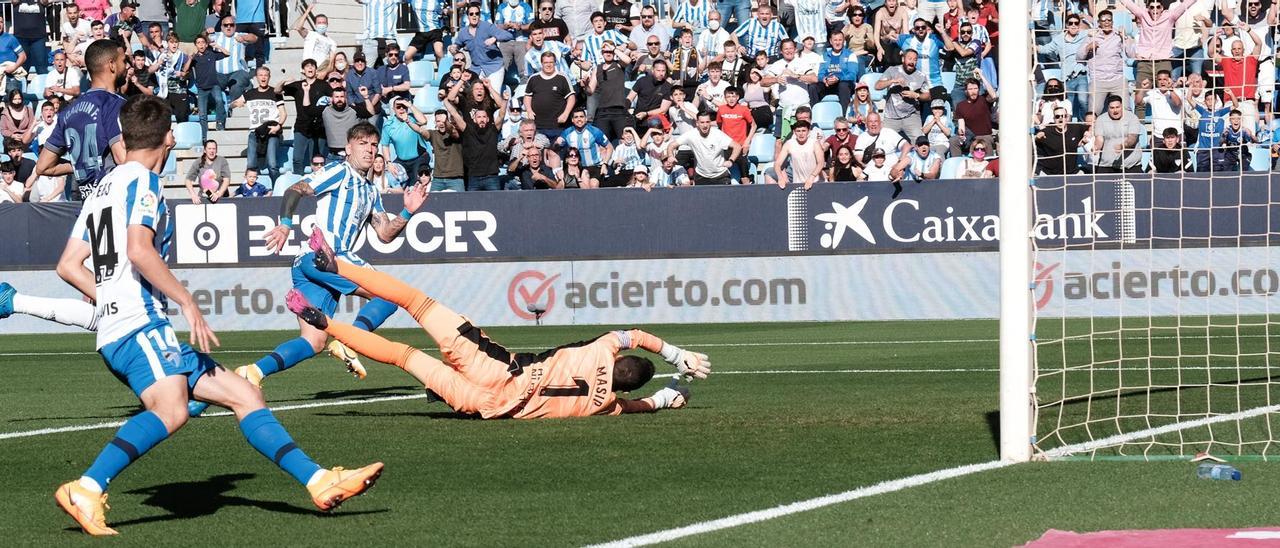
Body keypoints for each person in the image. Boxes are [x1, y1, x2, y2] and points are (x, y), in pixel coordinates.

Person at [50, 96, 382, 537]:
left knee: (244, 393)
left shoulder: (103, 188)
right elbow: (137, 250)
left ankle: (319, 481)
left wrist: (110, 300)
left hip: (128, 324)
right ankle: (86, 487)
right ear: (168, 137)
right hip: (140, 327)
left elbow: (68, 266)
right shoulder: (145, 183)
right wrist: (184, 302)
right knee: (170, 411)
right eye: (173, 134)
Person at [288, 237, 708, 419]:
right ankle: (326, 324)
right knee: (403, 355)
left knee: (415, 301)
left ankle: (334, 264)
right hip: (487, 406)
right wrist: (669, 398)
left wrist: (676, 355)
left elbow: (634, 335)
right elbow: (640, 407)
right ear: (625, 388)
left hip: (496, 367)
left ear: (621, 360)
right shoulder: (604, 406)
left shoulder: (600, 349)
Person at [225, 122, 429, 411]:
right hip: (326, 256)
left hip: (309, 264)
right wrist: (285, 224)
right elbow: (296, 189)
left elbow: (384, 234)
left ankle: (254, 371)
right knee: (391, 295)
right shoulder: (339, 172)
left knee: (314, 340)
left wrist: (407, 212)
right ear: (348, 148)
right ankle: (349, 342)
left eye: (373, 145)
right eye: (362, 144)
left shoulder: (371, 190)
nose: (370, 150)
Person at [36, 39, 128, 202]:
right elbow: (122, 159)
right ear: (112, 65)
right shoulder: (114, 104)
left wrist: (84, 163)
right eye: (123, 61)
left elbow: (43, 167)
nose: (126, 67)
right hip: (114, 201)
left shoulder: (68, 112)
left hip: (88, 207)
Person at [443, 92, 506, 191]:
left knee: (495, 205)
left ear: (488, 119)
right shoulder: (467, 129)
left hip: (491, 177)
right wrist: (445, 100)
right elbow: (454, 114)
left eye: (484, 117)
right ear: (474, 119)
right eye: (479, 117)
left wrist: (505, 100)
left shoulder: (493, 129)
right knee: (473, 206)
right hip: (474, 178)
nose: (482, 119)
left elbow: (501, 115)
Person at [279, 59, 333, 176]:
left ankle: (318, 183)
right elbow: (277, 90)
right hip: (301, 127)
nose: (310, 68)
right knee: (297, 158)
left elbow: (335, 99)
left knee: (317, 160)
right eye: (307, 66)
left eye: (312, 66)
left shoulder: (323, 85)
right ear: (303, 70)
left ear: (315, 69)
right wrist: (285, 80)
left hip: (319, 127)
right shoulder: (298, 85)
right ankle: (299, 181)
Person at [235, 66, 286, 181]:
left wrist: (278, 126)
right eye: (260, 75)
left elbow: (283, 114)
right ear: (256, 77)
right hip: (254, 132)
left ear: (269, 77)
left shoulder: (275, 93)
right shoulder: (250, 93)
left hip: (271, 131)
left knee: (272, 164)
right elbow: (234, 104)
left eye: (266, 75)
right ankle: (251, 190)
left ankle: (276, 190)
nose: (263, 78)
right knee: (251, 163)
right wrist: (236, 104)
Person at [454, 2, 515, 93]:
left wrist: (495, 38)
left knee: (493, 95)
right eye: (471, 14)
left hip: (494, 67)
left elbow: (509, 35)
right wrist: (454, 48)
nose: (474, 16)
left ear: (479, 15)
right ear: (467, 16)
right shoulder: (463, 32)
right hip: (476, 69)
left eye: (477, 14)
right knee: (471, 94)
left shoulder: (487, 26)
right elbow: (457, 45)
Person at [668, 111, 740, 185]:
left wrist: (731, 160)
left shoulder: (718, 134)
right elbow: (671, 145)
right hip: (701, 176)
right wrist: (670, 155)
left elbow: (737, 146)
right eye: (702, 122)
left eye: (707, 122)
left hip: (720, 175)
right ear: (697, 123)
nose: (705, 125)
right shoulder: (691, 134)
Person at [877, 48, 930, 142]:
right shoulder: (892, 70)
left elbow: (928, 96)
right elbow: (877, 86)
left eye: (915, 60)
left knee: (920, 142)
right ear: (903, 59)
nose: (912, 62)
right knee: (883, 142)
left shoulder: (921, 76)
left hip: (911, 116)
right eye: (910, 58)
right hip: (891, 117)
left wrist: (916, 95)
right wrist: (893, 81)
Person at [525, 51, 576, 141]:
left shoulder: (562, 78)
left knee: (556, 154)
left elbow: (571, 97)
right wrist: (529, 110)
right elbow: (527, 96)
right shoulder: (533, 78)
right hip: (538, 127)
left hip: (558, 126)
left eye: (551, 62)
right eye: (546, 62)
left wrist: (566, 114)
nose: (548, 65)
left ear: (555, 63)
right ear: (541, 63)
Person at [1092, 94, 1143, 173]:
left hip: (1131, 166)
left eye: (1117, 107)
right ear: (1107, 108)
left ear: (1122, 106)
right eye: (1112, 108)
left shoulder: (1132, 118)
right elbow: (1099, 139)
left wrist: (1123, 145)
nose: (1115, 111)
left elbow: (1132, 138)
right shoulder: (1101, 119)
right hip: (1106, 165)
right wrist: (1096, 147)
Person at [771, 119, 825, 189]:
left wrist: (812, 177)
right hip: (798, 184)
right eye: (798, 131)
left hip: (817, 183)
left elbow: (820, 163)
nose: (801, 134)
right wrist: (780, 178)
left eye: (803, 131)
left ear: (808, 132)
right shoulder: (789, 144)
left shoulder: (815, 143)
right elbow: (777, 164)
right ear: (794, 132)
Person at [1035, 105, 1087, 175]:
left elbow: (1091, 126)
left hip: (1072, 173)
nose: (1060, 119)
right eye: (1057, 116)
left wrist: (1088, 133)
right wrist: (1037, 138)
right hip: (1050, 174)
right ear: (1054, 119)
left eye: (1063, 116)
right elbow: (1036, 141)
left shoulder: (1076, 128)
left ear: (1067, 117)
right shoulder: (1046, 131)